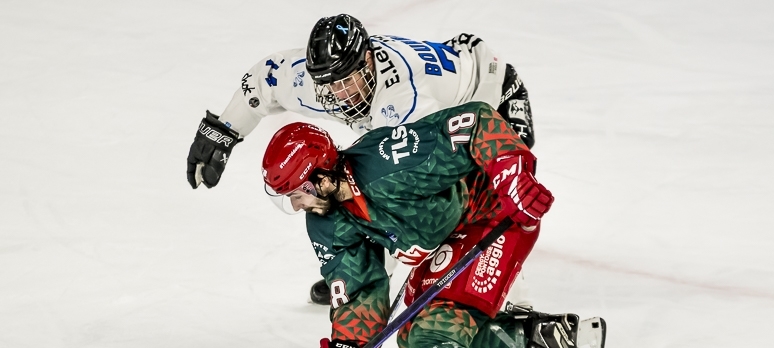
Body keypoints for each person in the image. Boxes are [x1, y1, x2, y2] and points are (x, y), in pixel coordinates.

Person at [261, 102, 604, 348]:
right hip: (452, 238)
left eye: (299, 192)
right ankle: (546, 336)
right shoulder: (326, 220)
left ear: (323, 175)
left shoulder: (388, 161)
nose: (297, 204)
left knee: (433, 331)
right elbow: (359, 289)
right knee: (413, 337)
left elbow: (473, 122)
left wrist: (512, 176)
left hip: (497, 212)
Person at [185, 13, 536, 306]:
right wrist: (222, 130)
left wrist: (380, 269)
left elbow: (409, 192)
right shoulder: (318, 80)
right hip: (443, 81)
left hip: (492, 93)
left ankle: (511, 305)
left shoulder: (405, 101)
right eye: (328, 85)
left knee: (486, 206)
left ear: (368, 62)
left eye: (345, 82)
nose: (337, 95)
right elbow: (265, 78)